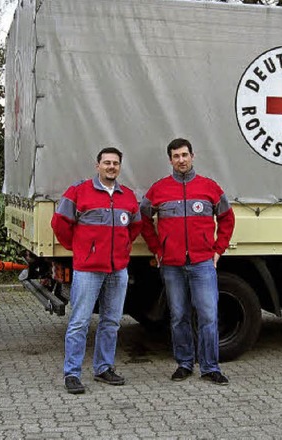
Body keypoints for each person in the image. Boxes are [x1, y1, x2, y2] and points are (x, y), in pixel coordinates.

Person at [140, 138, 235, 385]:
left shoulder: (209, 187)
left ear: (193, 156)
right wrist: (157, 249)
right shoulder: (159, 189)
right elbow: (143, 218)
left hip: (203, 262)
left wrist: (218, 249)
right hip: (171, 264)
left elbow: (227, 218)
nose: (181, 160)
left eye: (184, 155)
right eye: (176, 156)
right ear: (170, 160)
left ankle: (210, 367)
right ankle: (184, 363)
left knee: (208, 316)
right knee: (179, 315)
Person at [51, 147, 141, 394]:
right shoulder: (79, 192)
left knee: (111, 322)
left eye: (115, 163)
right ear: (97, 165)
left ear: (120, 167)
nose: (111, 167)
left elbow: (136, 226)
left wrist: (121, 249)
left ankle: (104, 368)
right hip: (88, 269)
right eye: (106, 162)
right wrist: (79, 248)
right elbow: (59, 223)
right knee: (79, 322)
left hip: (117, 270)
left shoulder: (128, 197)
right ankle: (72, 373)